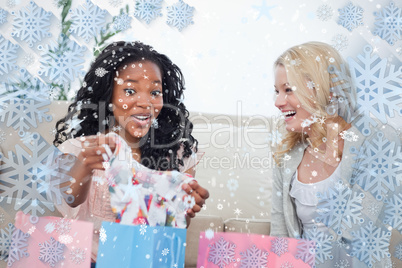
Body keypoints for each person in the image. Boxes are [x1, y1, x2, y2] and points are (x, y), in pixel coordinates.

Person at [53, 41, 209, 263]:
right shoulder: (79, 148)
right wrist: (84, 166)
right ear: (108, 96)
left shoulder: (178, 153)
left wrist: (183, 208)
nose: (145, 103)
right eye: (130, 90)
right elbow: (69, 200)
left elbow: (170, 231)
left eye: (155, 92)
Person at [270, 41, 400, 267]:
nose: (278, 102)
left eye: (289, 89)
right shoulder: (287, 156)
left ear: (326, 91)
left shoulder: (379, 142)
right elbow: (280, 237)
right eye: (277, 91)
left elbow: (356, 233)